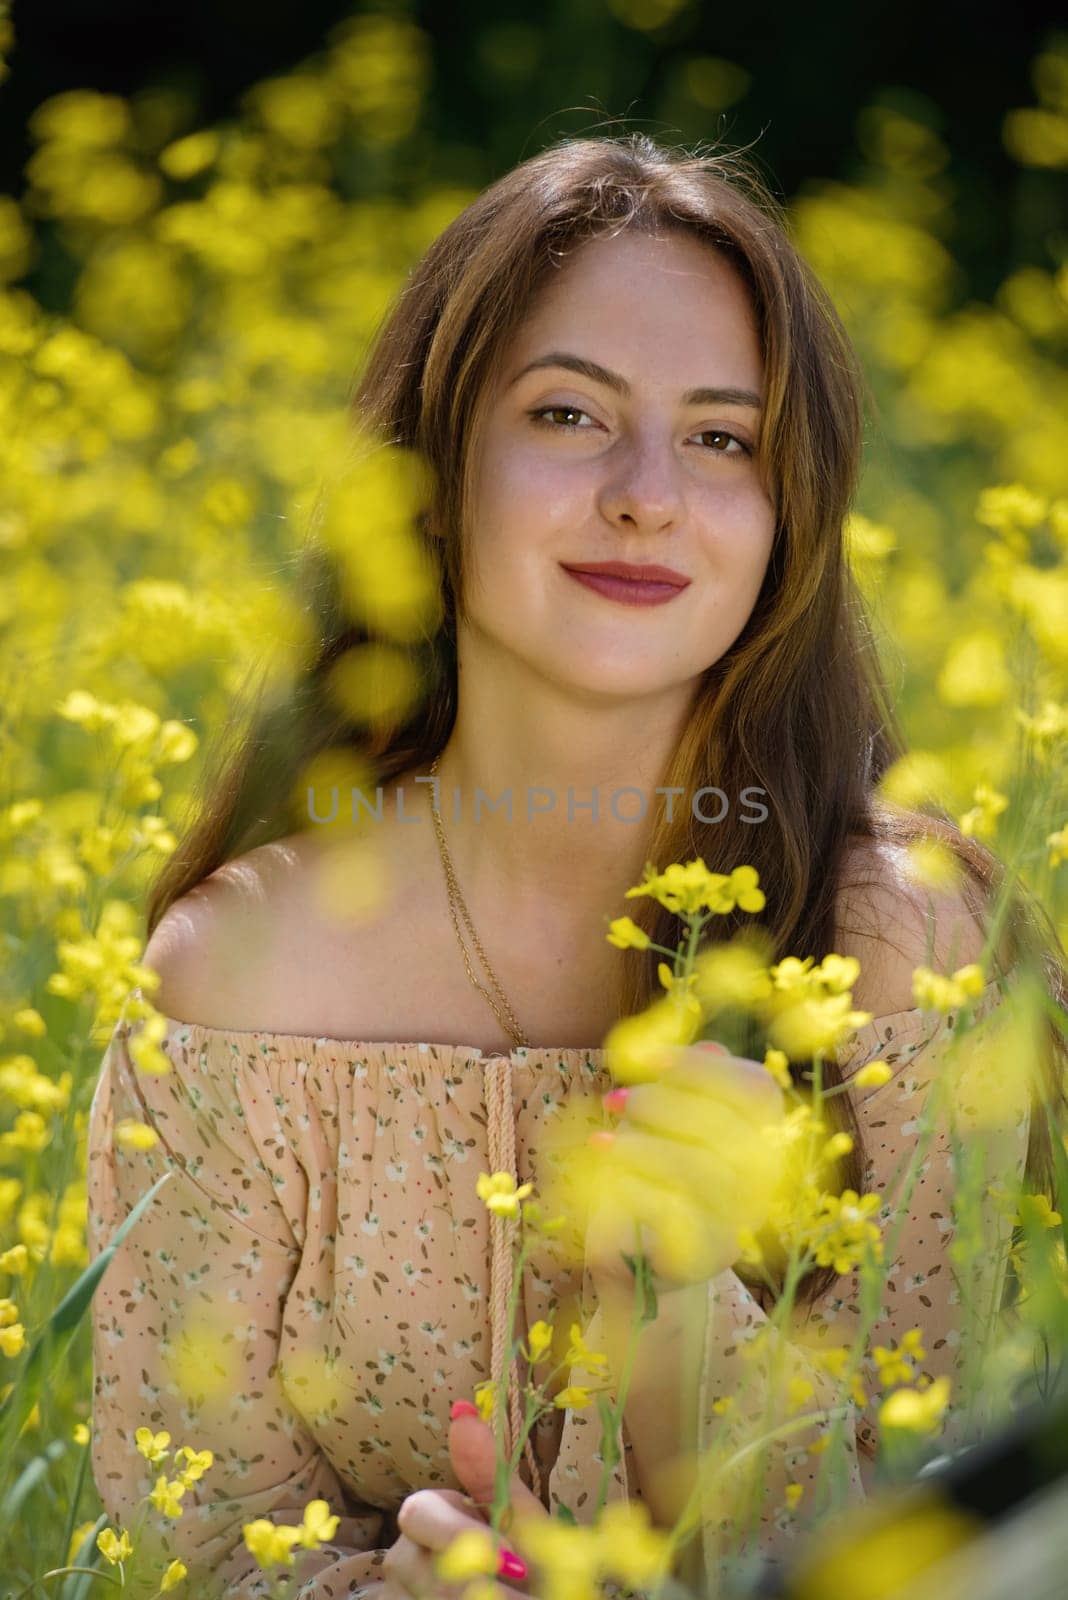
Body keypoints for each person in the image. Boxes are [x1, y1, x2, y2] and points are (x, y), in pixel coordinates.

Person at [85, 132, 1066, 1600]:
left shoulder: (907, 945)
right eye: (568, 415)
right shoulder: (236, 978)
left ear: (788, 516)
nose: (648, 494)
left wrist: (677, 1312)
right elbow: (189, 1550)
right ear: (423, 481)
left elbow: (975, 1549)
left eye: (725, 439)